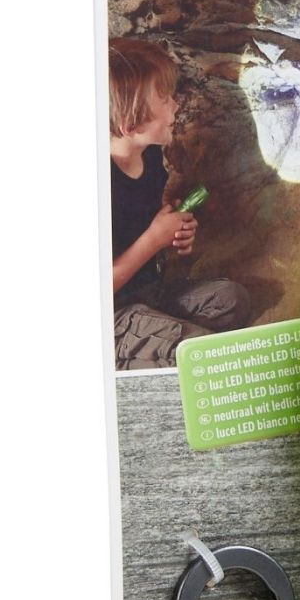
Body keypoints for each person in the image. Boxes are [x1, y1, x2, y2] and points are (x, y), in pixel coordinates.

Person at [109, 37, 252, 370]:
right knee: (200, 351)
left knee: (231, 300)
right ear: (131, 124)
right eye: (164, 99)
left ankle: (161, 348)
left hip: (147, 294)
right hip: (112, 317)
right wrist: (153, 239)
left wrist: (173, 232)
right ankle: (131, 360)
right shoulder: (98, 182)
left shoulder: (150, 157)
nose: (175, 105)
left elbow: (143, 230)